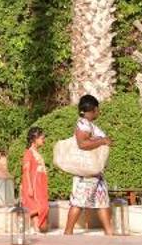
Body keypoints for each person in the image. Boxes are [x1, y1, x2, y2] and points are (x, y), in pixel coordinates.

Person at [62, 94, 115, 236]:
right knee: (79, 202)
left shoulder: (89, 125)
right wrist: (102, 141)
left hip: (96, 172)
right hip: (85, 172)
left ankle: (109, 233)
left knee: (102, 202)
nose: (99, 112)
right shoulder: (83, 124)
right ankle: (68, 233)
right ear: (94, 109)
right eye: (98, 109)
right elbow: (82, 144)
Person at [20, 126, 50, 234]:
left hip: (40, 185)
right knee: (38, 207)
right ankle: (28, 225)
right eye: (42, 138)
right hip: (33, 185)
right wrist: (29, 187)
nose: (44, 140)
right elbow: (26, 171)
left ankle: (35, 228)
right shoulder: (29, 153)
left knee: (42, 209)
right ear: (34, 139)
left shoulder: (37, 153)